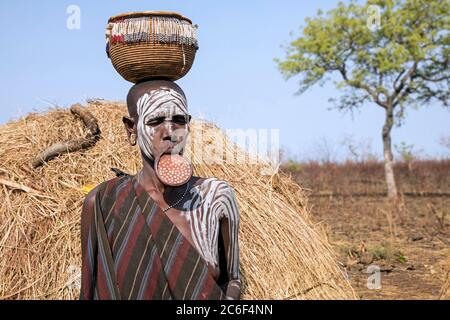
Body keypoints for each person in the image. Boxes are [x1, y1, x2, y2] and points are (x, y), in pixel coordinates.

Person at [79, 80, 241, 300]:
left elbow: (232, 279)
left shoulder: (215, 197)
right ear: (131, 127)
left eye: (179, 121)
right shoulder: (103, 203)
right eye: (155, 121)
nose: (170, 132)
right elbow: (89, 290)